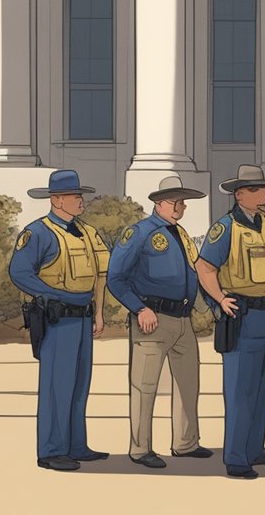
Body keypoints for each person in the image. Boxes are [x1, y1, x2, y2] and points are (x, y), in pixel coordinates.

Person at [106, 174, 212, 468]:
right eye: (174, 201)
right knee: (145, 385)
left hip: (182, 318)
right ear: (158, 203)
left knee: (188, 383)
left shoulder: (181, 234)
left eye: (182, 202)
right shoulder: (139, 232)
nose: (180, 207)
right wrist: (139, 308)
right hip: (151, 318)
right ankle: (140, 449)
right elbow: (116, 278)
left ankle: (186, 442)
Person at [9, 170, 110, 471]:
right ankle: (51, 451)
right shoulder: (37, 233)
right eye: (76, 196)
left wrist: (100, 312)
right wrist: (52, 294)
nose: (81, 201)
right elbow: (19, 273)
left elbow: (101, 274)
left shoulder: (88, 232)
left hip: (83, 318)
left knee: (79, 385)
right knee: (57, 387)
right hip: (57, 320)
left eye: (81, 196)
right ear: (56, 199)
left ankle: (76, 445)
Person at [196, 164, 265, 479]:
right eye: (258, 188)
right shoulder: (226, 228)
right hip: (243, 315)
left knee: (263, 386)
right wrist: (220, 300)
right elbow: (205, 267)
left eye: (264, 188)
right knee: (239, 389)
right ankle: (236, 457)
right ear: (239, 195)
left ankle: (255, 449)